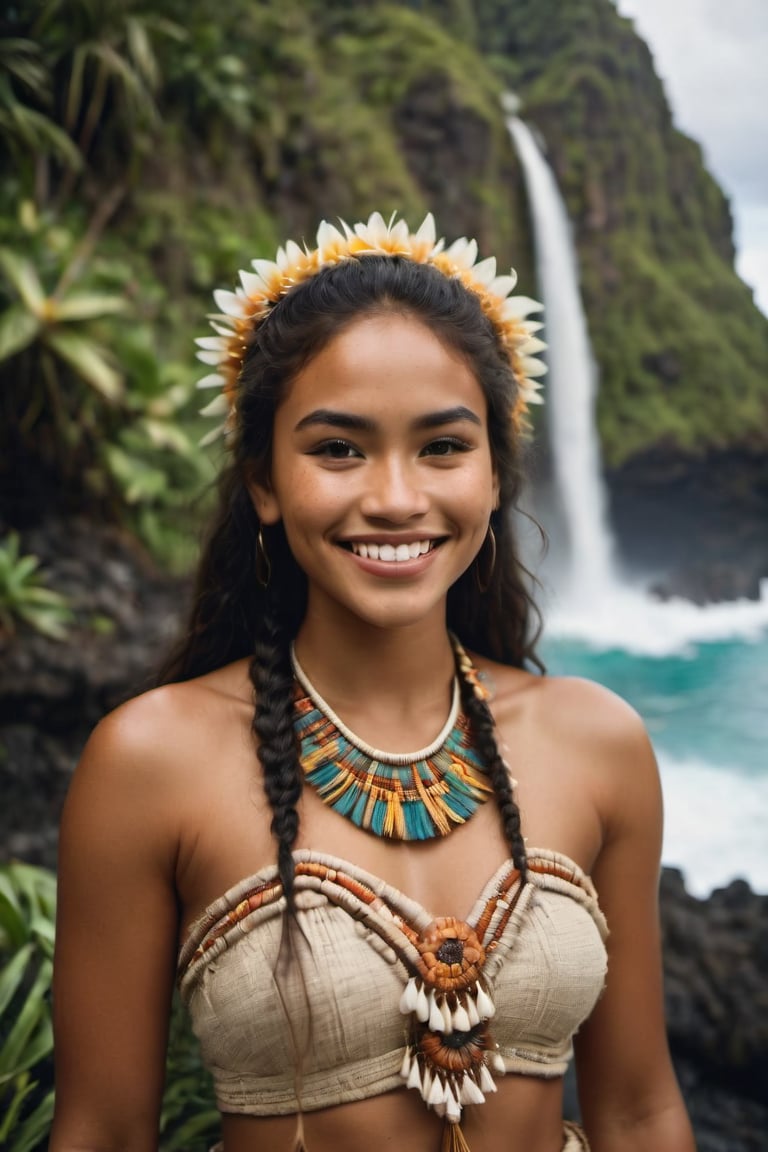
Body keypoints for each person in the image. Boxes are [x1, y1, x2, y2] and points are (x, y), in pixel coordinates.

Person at [50, 212, 695, 1152]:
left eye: (442, 447)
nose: (396, 497)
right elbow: (103, 1132)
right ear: (263, 481)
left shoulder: (599, 745)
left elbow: (639, 1112)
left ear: (495, 477)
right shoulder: (151, 763)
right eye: (338, 449)